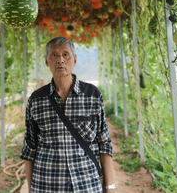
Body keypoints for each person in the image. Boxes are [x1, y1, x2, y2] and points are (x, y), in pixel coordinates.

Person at [20, 37, 115, 193]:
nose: (60, 60)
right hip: (47, 184)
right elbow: (30, 148)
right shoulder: (36, 100)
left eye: (66, 55)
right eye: (54, 55)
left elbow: (104, 142)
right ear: (46, 61)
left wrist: (109, 188)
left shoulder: (92, 95)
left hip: (86, 184)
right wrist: (31, 189)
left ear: (75, 60)